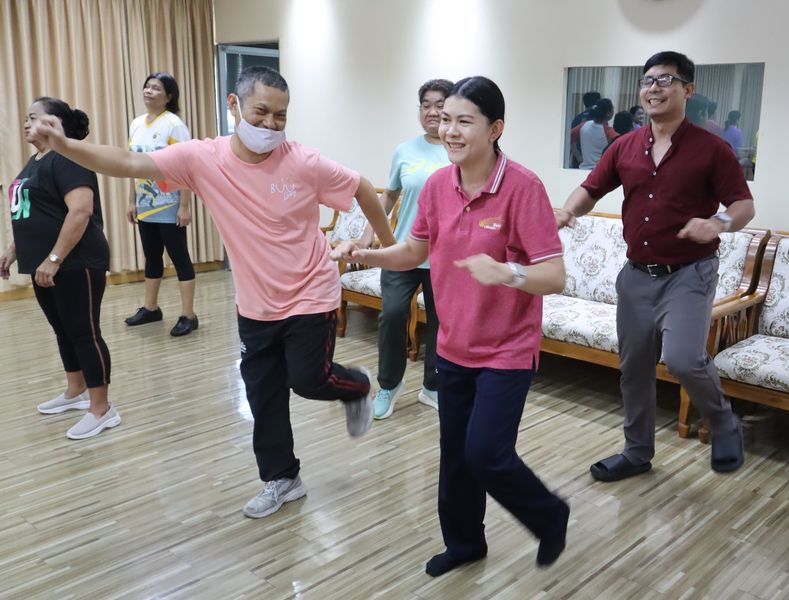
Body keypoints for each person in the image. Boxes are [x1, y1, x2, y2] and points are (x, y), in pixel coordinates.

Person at [32, 66, 396, 518]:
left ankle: (357, 385)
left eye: (280, 116)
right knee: (263, 394)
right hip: (255, 302)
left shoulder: (304, 162)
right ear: (234, 105)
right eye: (261, 112)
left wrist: (385, 245)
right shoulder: (203, 158)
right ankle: (283, 478)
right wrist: (65, 146)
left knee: (308, 379)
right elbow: (128, 164)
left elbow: (361, 187)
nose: (270, 124)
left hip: (310, 292)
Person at [332, 76, 570, 577]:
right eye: (446, 120)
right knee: (456, 455)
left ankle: (549, 515)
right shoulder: (439, 185)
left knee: (486, 453)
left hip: (506, 349)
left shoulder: (523, 187)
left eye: (465, 121)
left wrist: (508, 272)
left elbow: (554, 276)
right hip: (453, 344)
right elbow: (413, 251)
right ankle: (464, 543)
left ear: (495, 128)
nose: (450, 131)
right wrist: (364, 254)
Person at [557, 51, 755, 482]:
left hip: (689, 273)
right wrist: (568, 210)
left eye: (665, 80)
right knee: (634, 368)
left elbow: (744, 205)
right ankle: (636, 452)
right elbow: (591, 188)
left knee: (683, 359)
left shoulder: (712, 149)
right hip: (636, 275)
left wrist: (717, 222)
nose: (653, 88)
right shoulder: (625, 146)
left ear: (688, 90)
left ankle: (723, 422)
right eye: (647, 81)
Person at [0, 97, 120, 440]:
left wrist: (54, 259)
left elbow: (80, 210)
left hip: (76, 261)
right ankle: (76, 391)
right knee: (63, 330)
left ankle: (102, 409)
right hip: (43, 263)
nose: (26, 123)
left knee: (84, 332)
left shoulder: (69, 157)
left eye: (34, 117)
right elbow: (35, 211)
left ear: (56, 124)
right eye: (26, 118)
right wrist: (13, 251)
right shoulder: (37, 160)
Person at [357, 78, 453, 419]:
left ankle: (433, 387)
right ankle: (389, 385)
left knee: (442, 323)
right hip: (403, 251)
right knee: (393, 315)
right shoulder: (405, 151)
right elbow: (389, 196)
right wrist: (367, 234)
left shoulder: (460, 150)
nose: (432, 111)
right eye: (426, 105)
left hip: (445, 256)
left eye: (440, 105)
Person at [124, 72, 199, 336]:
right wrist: (132, 200)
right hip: (145, 202)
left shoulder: (174, 124)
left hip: (169, 202)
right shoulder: (136, 123)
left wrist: (184, 206)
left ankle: (188, 315)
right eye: (147, 87)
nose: (149, 91)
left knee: (179, 257)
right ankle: (151, 308)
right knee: (152, 256)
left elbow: (187, 167)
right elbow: (132, 165)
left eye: (156, 88)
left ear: (168, 96)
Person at [578, 98, 615, 169]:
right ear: (608, 113)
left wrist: (579, 157)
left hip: (583, 168)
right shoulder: (609, 132)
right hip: (599, 171)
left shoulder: (584, 125)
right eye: (613, 109)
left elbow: (569, 136)